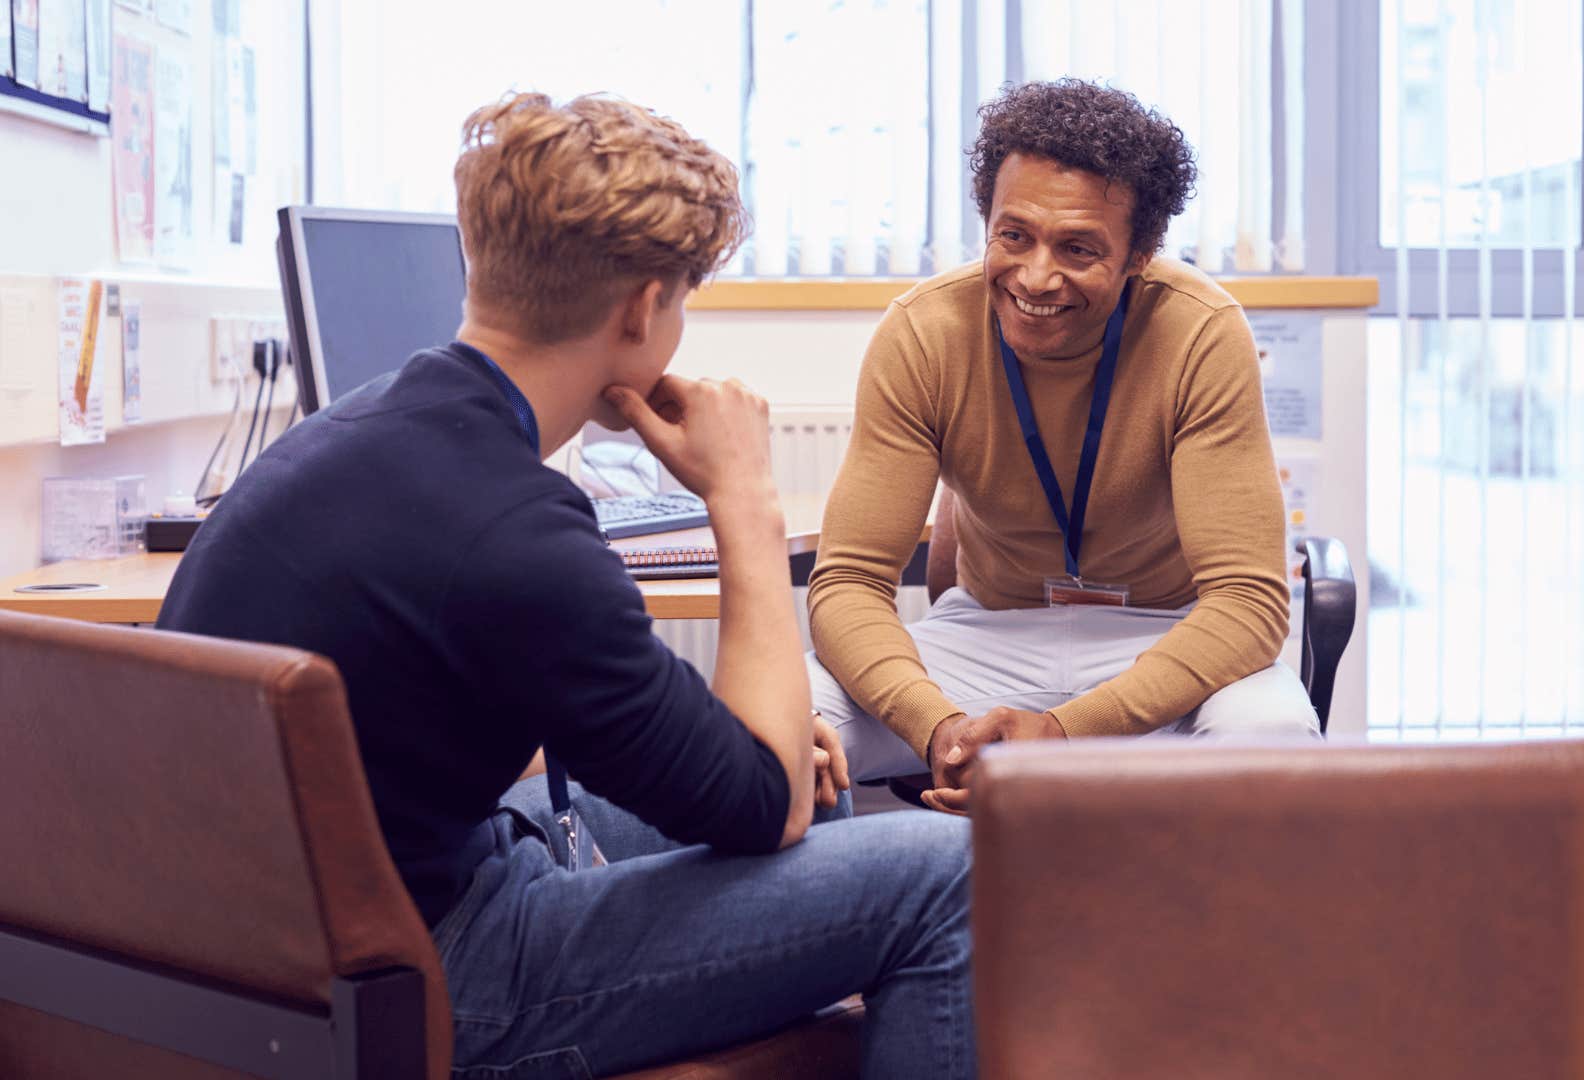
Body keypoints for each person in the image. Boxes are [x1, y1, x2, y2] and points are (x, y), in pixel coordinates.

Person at [157, 92, 974, 1078]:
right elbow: (760, 807)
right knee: (950, 874)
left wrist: (748, 756)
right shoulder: (516, 532)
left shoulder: (352, 431)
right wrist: (744, 501)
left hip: (270, 948)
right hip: (424, 976)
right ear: (642, 308)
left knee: (816, 781)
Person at [808, 79, 1318, 813]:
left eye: (1078, 248)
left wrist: (1066, 731)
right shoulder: (924, 333)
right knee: (779, 724)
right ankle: (865, 918)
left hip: (1163, 636)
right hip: (988, 637)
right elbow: (849, 583)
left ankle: (1201, 932)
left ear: (1139, 252)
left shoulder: (1200, 332)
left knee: (1273, 740)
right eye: (1014, 235)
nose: (1036, 276)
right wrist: (941, 729)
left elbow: (1247, 604)